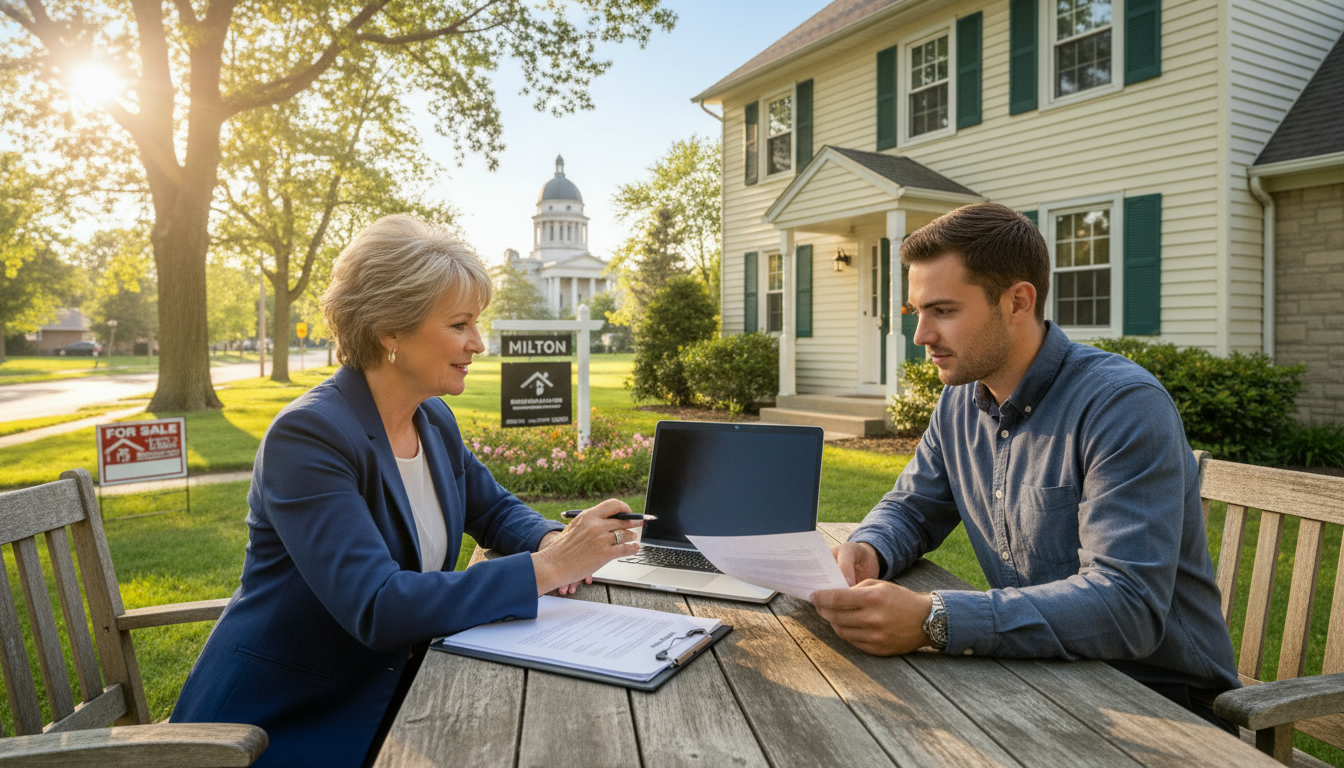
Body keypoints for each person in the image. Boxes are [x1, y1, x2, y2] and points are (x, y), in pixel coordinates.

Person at [171, 215, 645, 767]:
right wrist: (548, 568)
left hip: (403, 691)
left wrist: (554, 540)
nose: (478, 343)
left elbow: (491, 509)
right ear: (389, 329)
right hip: (282, 725)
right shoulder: (308, 438)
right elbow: (377, 605)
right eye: (460, 324)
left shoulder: (432, 420)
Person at [813, 202, 1240, 730]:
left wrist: (935, 619)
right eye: (916, 312)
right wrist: (869, 548)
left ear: (1018, 301)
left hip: (1161, 705)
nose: (920, 335)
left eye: (943, 310)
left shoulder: (1121, 405)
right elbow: (912, 507)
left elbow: (1127, 604)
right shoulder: (959, 403)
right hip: (1035, 678)